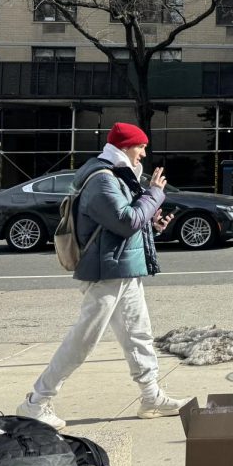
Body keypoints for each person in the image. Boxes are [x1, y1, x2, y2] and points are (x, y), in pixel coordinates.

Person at [17, 123, 184, 429]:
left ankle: (151, 397)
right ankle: (36, 401)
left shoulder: (113, 173)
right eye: (140, 147)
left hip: (122, 267)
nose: (144, 154)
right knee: (84, 338)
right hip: (105, 270)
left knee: (138, 334)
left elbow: (127, 221)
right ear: (125, 147)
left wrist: (152, 224)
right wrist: (155, 195)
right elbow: (125, 221)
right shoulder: (102, 178)